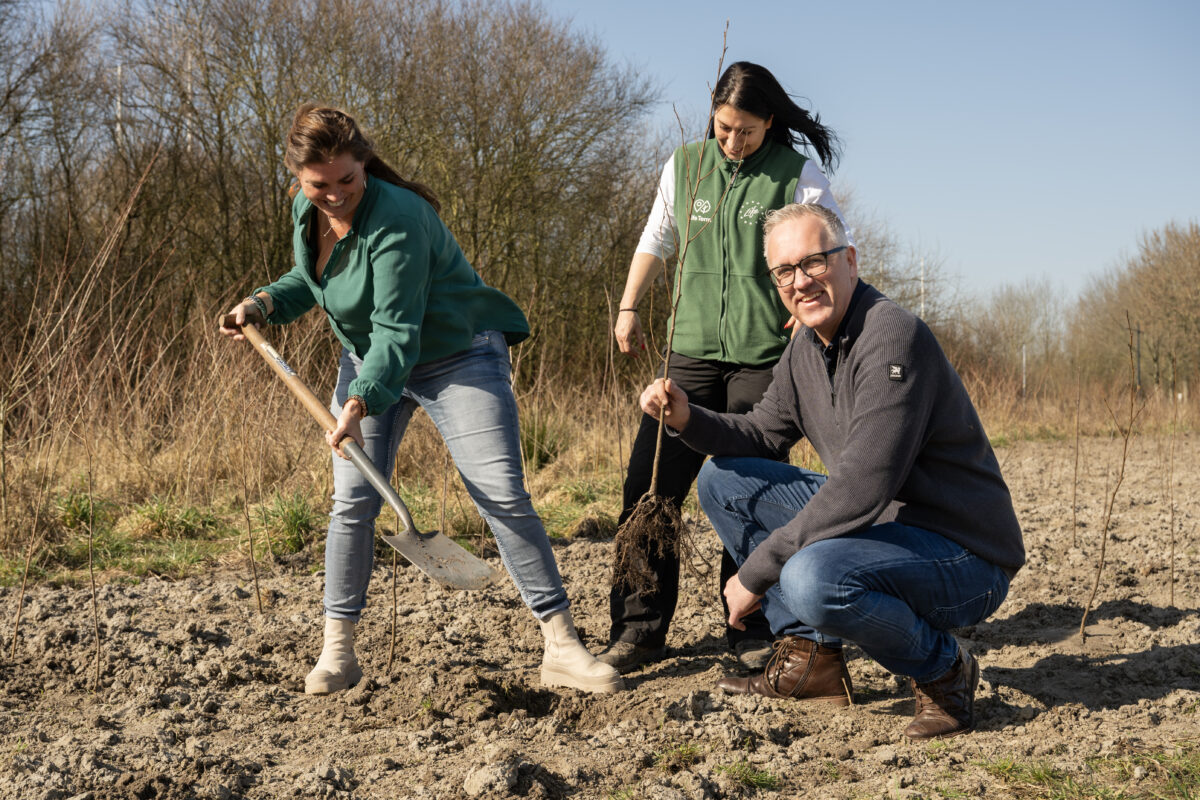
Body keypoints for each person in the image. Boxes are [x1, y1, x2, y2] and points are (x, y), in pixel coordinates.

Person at [219, 105, 622, 696]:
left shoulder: (399, 219)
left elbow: (396, 330)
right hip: (369, 361)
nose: (333, 196)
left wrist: (357, 406)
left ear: (364, 165)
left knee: (499, 491)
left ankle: (562, 646)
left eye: (346, 182)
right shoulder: (307, 209)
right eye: (318, 185)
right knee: (353, 501)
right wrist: (263, 304)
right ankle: (338, 652)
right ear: (298, 178)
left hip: (456, 354)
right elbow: (313, 278)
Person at [637, 203, 1024, 738]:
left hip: (961, 553)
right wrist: (685, 416)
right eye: (785, 272)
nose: (801, 282)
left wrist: (756, 571)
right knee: (724, 480)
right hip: (888, 530)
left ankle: (945, 671)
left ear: (850, 261)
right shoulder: (805, 346)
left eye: (814, 263)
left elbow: (864, 486)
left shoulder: (892, 338)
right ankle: (811, 660)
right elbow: (762, 432)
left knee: (812, 577)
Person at [602, 62, 850, 673]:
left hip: (763, 357)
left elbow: (834, 245)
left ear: (770, 122)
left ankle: (750, 626)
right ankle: (639, 628)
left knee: (750, 490)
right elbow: (656, 236)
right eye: (723, 129)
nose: (732, 143)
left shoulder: (797, 174)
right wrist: (630, 305)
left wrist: (811, 303)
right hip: (686, 353)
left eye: (745, 131)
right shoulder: (686, 166)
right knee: (649, 488)